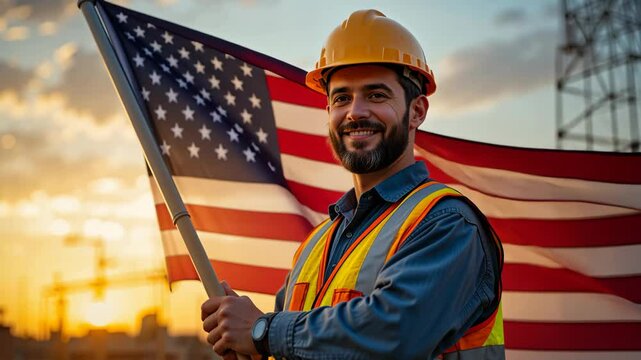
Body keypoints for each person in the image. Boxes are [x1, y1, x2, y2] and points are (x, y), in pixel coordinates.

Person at [201, 9, 504, 360]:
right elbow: (295, 347)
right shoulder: (314, 246)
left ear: (417, 111)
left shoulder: (447, 223)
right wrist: (246, 345)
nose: (355, 112)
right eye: (342, 98)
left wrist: (262, 331)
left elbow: (392, 335)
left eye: (376, 95)